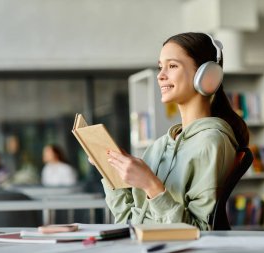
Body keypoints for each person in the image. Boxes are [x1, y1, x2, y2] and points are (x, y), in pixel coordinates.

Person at [100, 32, 249, 230]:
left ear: (207, 75)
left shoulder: (212, 142)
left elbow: (200, 232)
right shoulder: (159, 147)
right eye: (160, 67)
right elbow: (129, 220)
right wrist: (108, 168)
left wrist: (151, 186)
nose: (160, 75)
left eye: (172, 66)